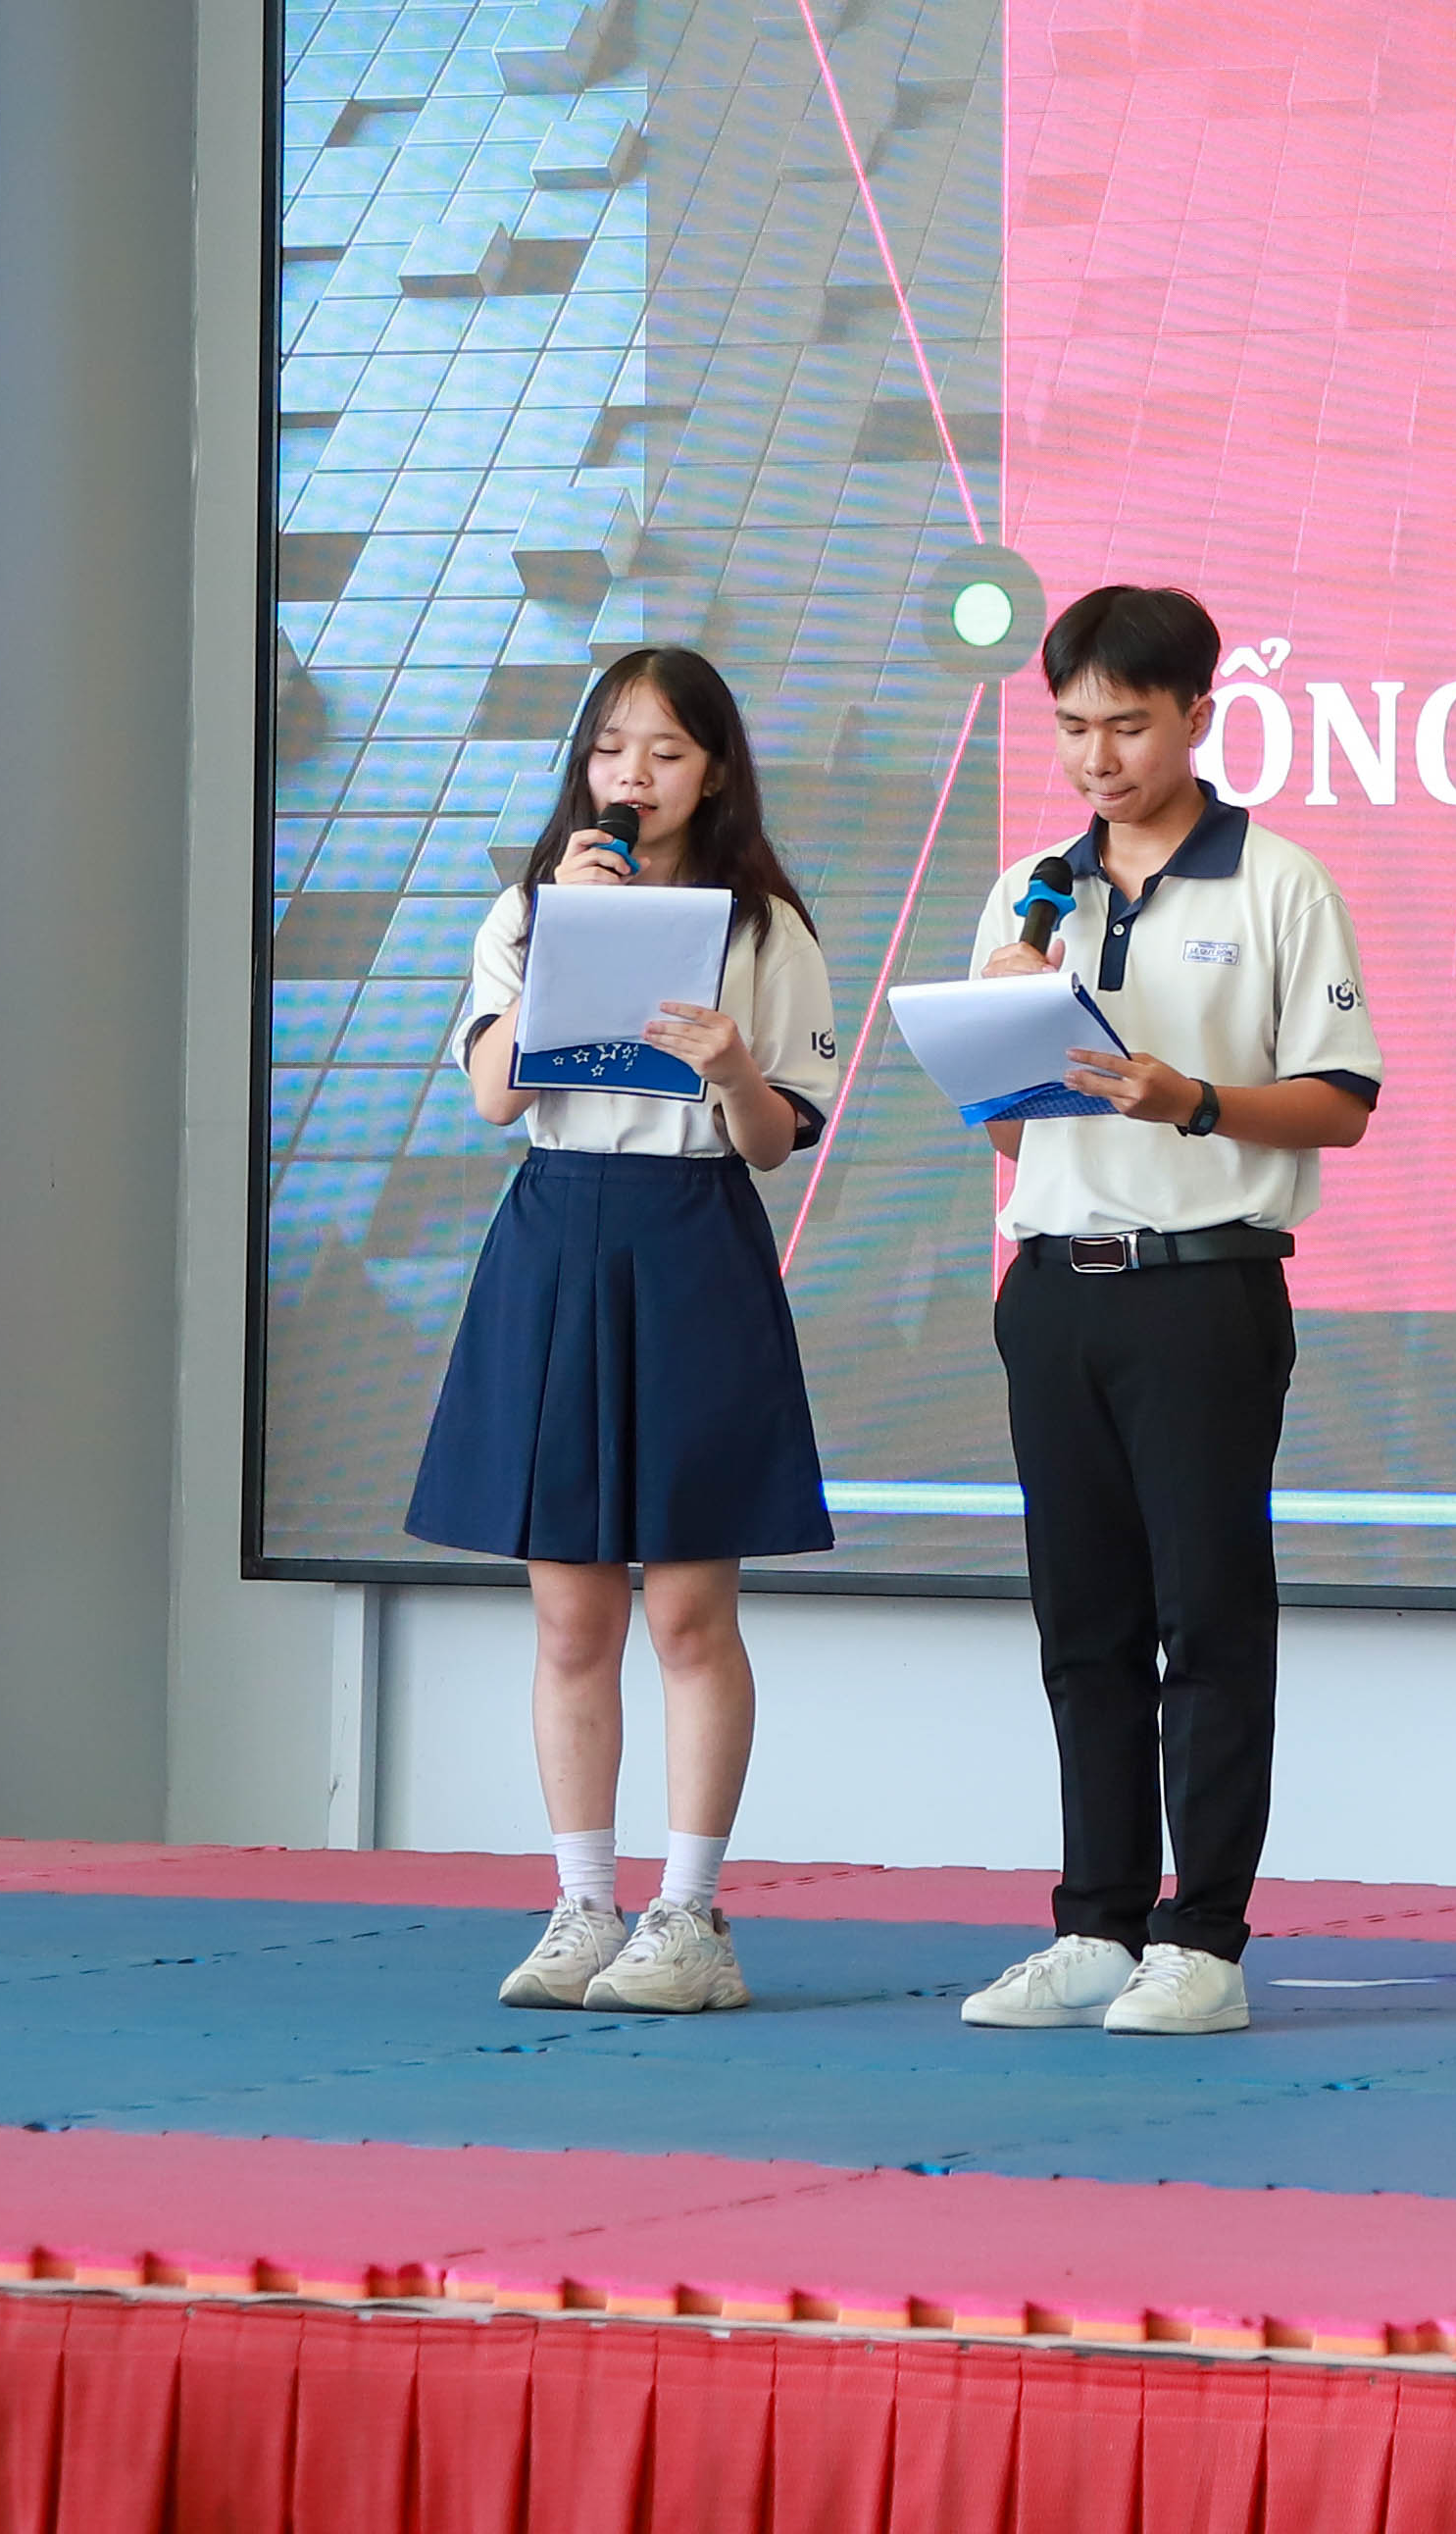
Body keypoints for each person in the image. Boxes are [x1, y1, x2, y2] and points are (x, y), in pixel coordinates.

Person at [953, 583, 1383, 2040]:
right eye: (1072, 726)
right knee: (1082, 1620)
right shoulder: (1031, 889)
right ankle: (1096, 1923)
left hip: (1203, 1288)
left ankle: (1204, 1939)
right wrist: (1006, 1035)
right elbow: (1012, 1138)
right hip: (1051, 1291)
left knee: (1207, 1617)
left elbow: (1342, 1101)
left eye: (1127, 726)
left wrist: (1186, 1098)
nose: (1097, 758)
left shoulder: (1278, 883)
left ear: (1200, 715)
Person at [409, 645, 843, 2021]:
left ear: (713, 771)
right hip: (556, 1236)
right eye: (610, 749)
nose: (632, 777)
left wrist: (730, 1068)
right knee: (568, 1612)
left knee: (690, 1610)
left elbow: (775, 1141)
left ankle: (690, 1914)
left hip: (692, 1236)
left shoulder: (765, 930)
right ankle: (583, 1902)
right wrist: (558, 946)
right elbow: (493, 1098)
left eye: (664, 752)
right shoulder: (530, 910)